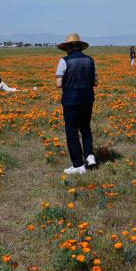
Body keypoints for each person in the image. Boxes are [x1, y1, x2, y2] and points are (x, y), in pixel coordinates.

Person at [55, 33, 97, 175]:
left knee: (72, 131)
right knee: (85, 128)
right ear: (80, 46)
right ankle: (90, 156)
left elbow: (59, 84)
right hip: (88, 98)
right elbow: (95, 82)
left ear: (67, 47)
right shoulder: (91, 60)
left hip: (71, 100)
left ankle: (78, 165)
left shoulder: (64, 61)